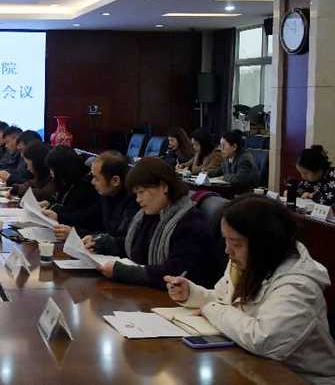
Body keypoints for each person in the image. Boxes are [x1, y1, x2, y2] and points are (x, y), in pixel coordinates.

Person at [165, 196, 335, 383]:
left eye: (236, 243)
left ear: (265, 243)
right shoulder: (250, 262)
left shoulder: (299, 284)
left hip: (301, 378)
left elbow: (264, 340)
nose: (228, 251)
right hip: (252, 365)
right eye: (226, 240)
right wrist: (193, 294)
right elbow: (224, 301)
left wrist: (210, 308)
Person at [96, 157, 217, 289]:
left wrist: (122, 272)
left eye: (141, 192)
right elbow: (137, 248)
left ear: (164, 186)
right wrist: (101, 243)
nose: (138, 199)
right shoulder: (150, 215)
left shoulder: (191, 224)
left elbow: (174, 273)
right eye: (136, 194)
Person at [81, 151, 140, 256]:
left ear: (115, 181)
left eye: (96, 178)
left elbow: (127, 242)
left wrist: (100, 242)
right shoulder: (106, 194)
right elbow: (102, 230)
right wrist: (94, 237)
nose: (92, 182)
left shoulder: (135, 201)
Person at [41, 146, 100, 240]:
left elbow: (84, 217)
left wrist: (59, 216)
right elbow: (61, 201)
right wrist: (50, 204)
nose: (51, 173)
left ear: (62, 169)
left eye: (52, 169)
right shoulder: (68, 180)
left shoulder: (86, 186)